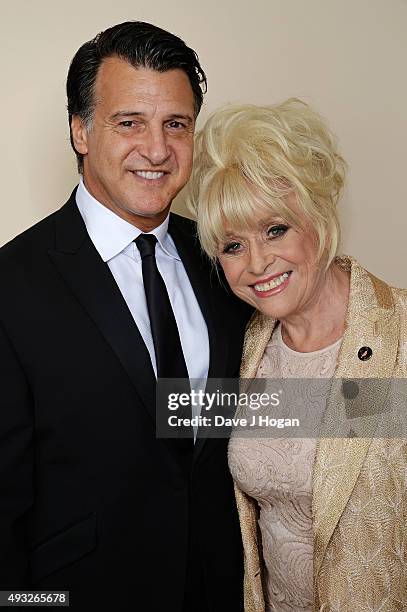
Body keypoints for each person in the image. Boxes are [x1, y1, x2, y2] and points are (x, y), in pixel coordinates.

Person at [0, 22, 251, 612]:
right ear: (81, 130)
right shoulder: (11, 285)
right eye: (129, 122)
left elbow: (253, 409)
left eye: (176, 124)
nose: (158, 150)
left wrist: (380, 406)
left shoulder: (227, 261)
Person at [188, 99, 407, 611]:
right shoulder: (245, 346)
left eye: (275, 230)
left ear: (318, 215)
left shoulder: (399, 335)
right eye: (232, 245)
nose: (257, 263)